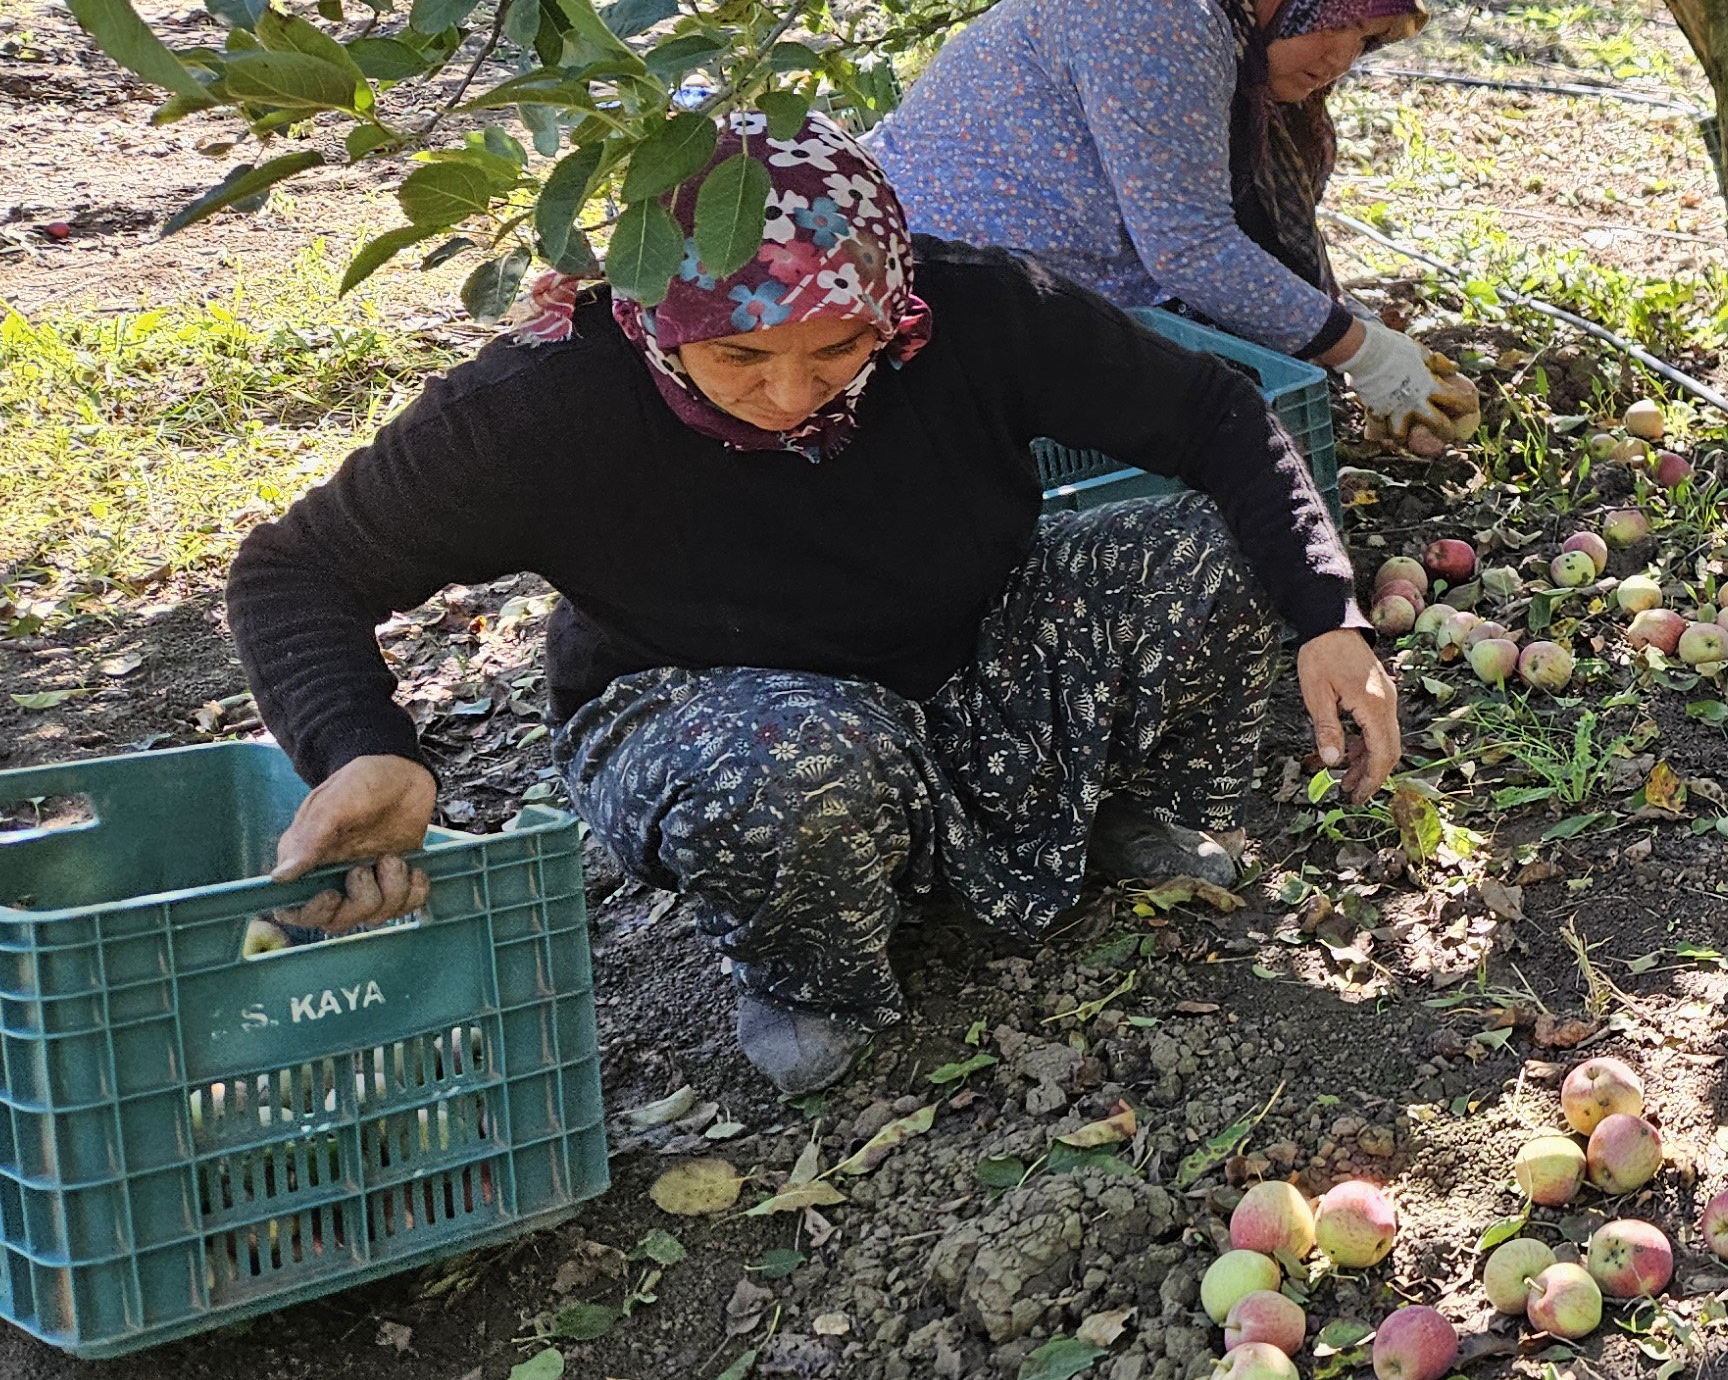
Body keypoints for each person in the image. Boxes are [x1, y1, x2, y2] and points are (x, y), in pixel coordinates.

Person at [225, 117, 1403, 1095]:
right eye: (736, 360)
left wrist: (1326, 617)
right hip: (709, 702)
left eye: (839, 346)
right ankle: (809, 971)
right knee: (795, 760)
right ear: (653, 322)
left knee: (1210, 553)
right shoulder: (543, 404)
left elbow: (1214, 414)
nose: (790, 394)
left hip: (964, 654)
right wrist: (364, 751)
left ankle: (1103, 812)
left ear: (889, 300)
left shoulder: (973, 312)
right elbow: (293, 568)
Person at [878, 0, 1470, 439]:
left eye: (1363, 38)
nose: (1341, 60)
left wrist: (1366, 341)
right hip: (935, 298)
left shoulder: (1216, 14)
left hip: (1022, 290)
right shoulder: (1160, 12)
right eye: (1331, 23)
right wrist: (1366, 356)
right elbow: (1190, 247)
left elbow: (1219, 230)